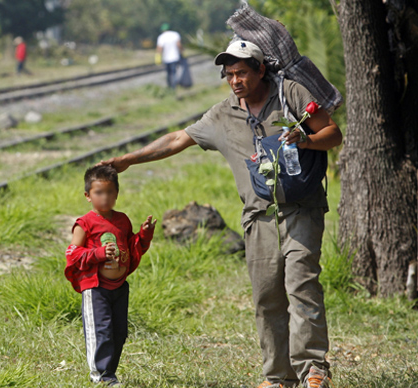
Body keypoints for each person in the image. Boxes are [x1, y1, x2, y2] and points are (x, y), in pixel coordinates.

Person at [99, 40, 342, 388]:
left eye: (242, 72)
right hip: (258, 217)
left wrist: (305, 139)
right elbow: (176, 140)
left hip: (301, 210)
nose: (235, 80)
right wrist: (129, 160)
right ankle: (278, 377)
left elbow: (333, 134)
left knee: (302, 286)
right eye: (229, 74)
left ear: (260, 70)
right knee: (266, 297)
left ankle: (314, 371)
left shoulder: (291, 93)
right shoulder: (222, 115)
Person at [65, 165, 157, 386]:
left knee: (119, 332)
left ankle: (110, 373)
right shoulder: (84, 223)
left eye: (110, 192)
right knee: (101, 331)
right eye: (98, 192)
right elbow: (72, 254)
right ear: (88, 195)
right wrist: (97, 253)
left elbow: (132, 247)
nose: (105, 197)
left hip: (119, 286)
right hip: (96, 287)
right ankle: (101, 376)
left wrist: (144, 234)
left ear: (117, 193)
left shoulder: (122, 220)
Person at [155, 23, 182, 89]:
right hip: (175, 57)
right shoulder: (175, 34)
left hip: (166, 58)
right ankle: (174, 86)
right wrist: (182, 52)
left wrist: (158, 57)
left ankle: (170, 86)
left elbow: (159, 49)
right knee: (174, 72)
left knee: (169, 73)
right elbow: (179, 45)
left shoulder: (161, 37)